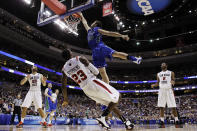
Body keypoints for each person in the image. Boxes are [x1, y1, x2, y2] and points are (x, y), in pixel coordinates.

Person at [61, 49, 134, 130]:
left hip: (86, 90)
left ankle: (127, 123)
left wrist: (65, 99)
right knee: (118, 96)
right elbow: (96, 72)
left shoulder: (64, 69)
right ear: (71, 54)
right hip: (93, 83)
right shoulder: (79, 58)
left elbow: (63, 85)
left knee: (111, 104)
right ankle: (102, 118)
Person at [79, 12, 142, 84]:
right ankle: (107, 89)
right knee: (103, 72)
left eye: (94, 22)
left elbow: (109, 33)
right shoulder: (89, 30)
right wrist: (81, 15)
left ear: (96, 24)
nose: (92, 23)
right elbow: (84, 23)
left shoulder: (97, 29)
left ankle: (135, 59)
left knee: (114, 58)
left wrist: (122, 35)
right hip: (96, 51)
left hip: (99, 47)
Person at [151, 63, 182, 128]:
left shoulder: (171, 72)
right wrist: (154, 85)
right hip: (161, 90)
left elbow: (173, 80)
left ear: (166, 66)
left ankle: (176, 121)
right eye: (162, 64)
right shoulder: (158, 74)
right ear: (161, 66)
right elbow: (158, 82)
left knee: (173, 106)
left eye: (164, 64)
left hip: (169, 90)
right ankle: (162, 122)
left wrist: (173, 82)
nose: (163, 65)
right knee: (161, 107)